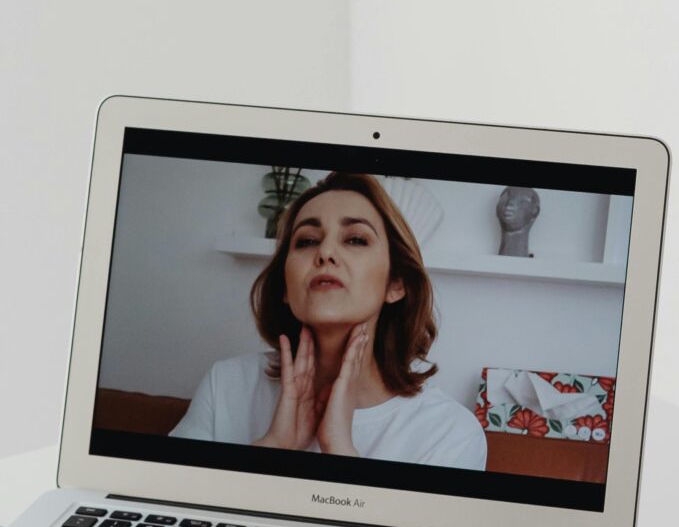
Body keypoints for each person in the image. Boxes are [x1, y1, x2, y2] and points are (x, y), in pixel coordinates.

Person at [173, 172, 487, 468]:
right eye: (307, 240)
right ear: (285, 285)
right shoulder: (225, 385)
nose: (325, 252)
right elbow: (169, 509)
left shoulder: (451, 433)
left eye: (356, 240)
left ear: (396, 284)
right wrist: (273, 448)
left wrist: (340, 451)